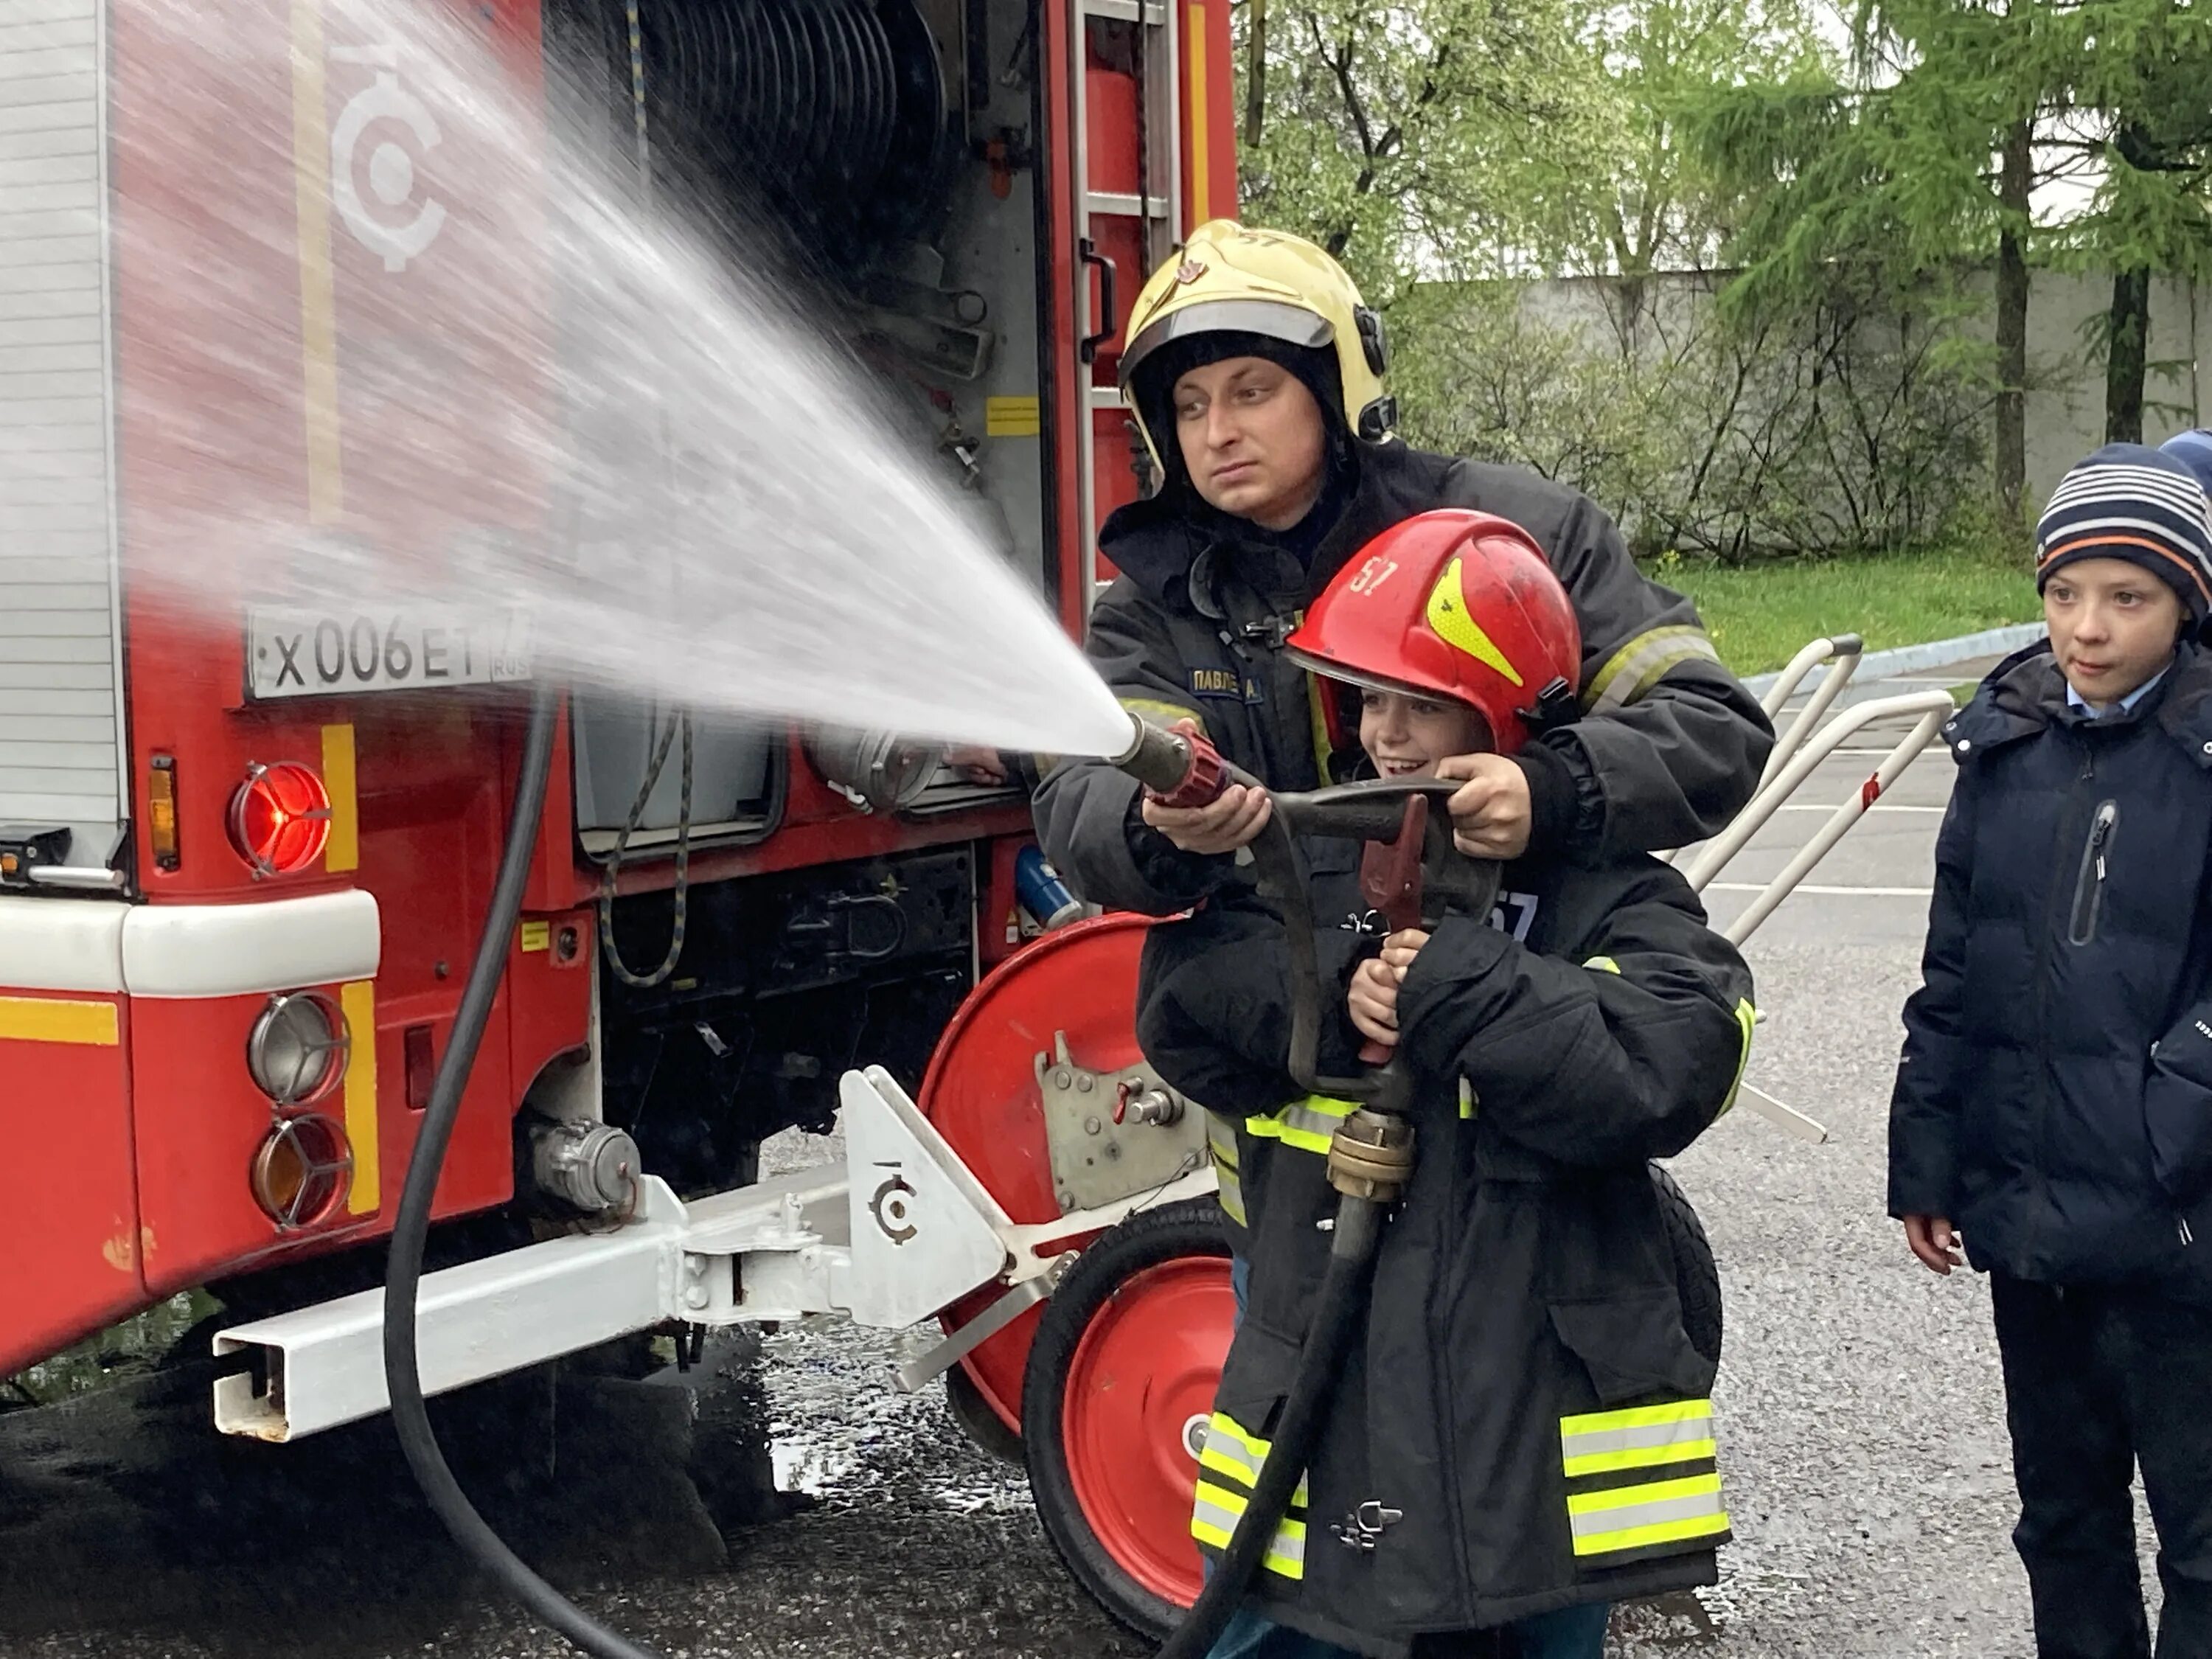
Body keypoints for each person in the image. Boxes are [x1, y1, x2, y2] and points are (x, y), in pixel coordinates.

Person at [1137, 511, 1756, 1659]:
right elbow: (1182, 997)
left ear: (1507, 706)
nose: (1384, 734)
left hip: (1529, 1433)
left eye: (1419, 702)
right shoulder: (1320, 861)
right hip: (1329, 1398)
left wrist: (1463, 980)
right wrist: (1323, 998)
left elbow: (1680, 1053)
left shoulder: (1602, 890)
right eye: (1364, 700)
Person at [1032, 220, 1773, 920]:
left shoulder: (1512, 540)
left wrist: (1548, 789)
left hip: (1506, 962)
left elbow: (1710, 726)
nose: (1219, 432)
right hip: (1284, 981)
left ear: (1333, 388)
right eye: (1190, 407)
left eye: (1252, 391)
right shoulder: (1159, 602)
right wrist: (1151, 821)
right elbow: (1079, 790)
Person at [1889, 442, 2212, 1659]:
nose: (2087, 627)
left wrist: (2166, 1120)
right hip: (2030, 1228)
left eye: (2127, 597)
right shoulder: (2005, 747)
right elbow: (1952, 974)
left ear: (2186, 602)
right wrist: (1928, 1159)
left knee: (2201, 1536)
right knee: (2063, 1521)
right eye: (2064, 593)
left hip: (2179, 1233)